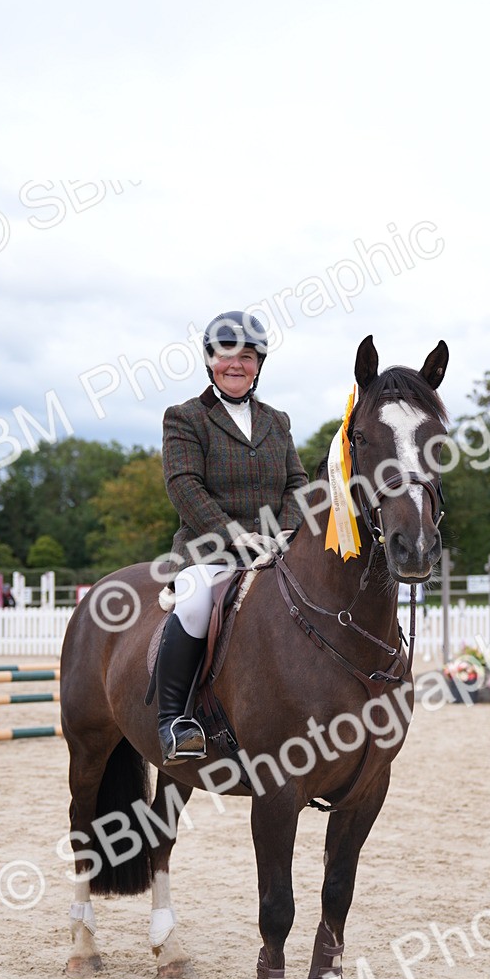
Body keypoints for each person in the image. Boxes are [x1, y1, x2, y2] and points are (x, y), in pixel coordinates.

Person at [154, 310, 309, 765]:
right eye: (226, 355)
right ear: (210, 361)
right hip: (210, 550)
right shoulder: (184, 418)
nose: (236, 364)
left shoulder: (277, 420)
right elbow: (185, 486)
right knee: (198, 600)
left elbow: (298, 483)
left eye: (246, 355)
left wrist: (286, 529)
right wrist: (238, 537)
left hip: (276, 550)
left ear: (259, 364)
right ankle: (173, 721)